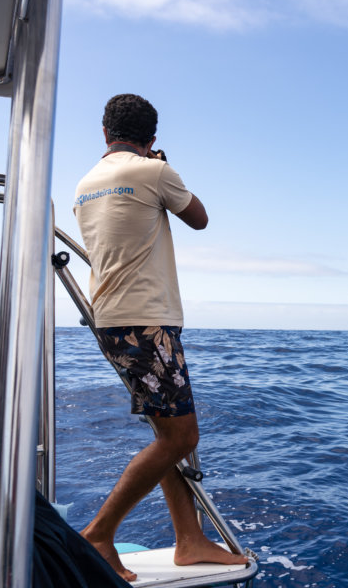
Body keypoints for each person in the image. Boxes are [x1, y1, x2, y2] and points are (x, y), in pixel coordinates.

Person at [72, 93, 247, 582]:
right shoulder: (154, 171)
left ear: (105, 134)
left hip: (109, 320)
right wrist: (161, 165)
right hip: (148, 322)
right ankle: (99, 534)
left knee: (167, 435)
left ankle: (188, 540)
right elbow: (200, 218)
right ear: (152, 139)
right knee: (182, 436)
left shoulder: (85, 184)